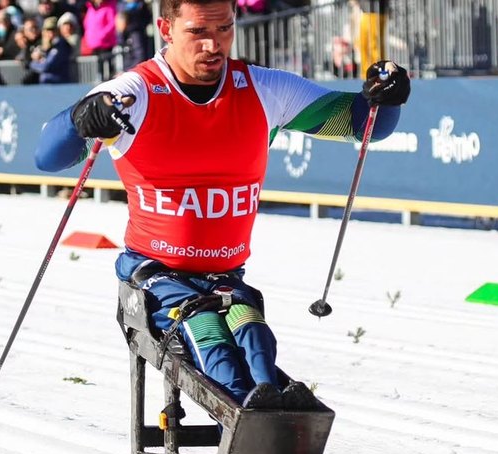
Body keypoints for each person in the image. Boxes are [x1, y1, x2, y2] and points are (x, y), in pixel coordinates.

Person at [35, 0, 409, 409]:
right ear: (165, 28)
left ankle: (266, 413)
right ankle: (247, 424)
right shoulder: (136, 91)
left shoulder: (264, 90)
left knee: (253, 332)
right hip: (156, 275)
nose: (213, 45)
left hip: (225, 275)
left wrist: (383, 97)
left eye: (224, 29)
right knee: (207, 332)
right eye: (197, 32)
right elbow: (48, 157)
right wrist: (81, 118)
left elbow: (360, 124)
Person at [28, 16, 73, 83]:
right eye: (47, 30)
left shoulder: (60, 45)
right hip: (48, 84)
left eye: (53, 29)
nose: (50, 33)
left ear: (58, 30)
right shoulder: (47, 45)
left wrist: (31, 64)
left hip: (59, 84)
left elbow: (46, 67)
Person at [356, 0, 389, 78]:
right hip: (365, 11)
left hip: (376, 11)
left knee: (374, 45)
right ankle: (366, 74)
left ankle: (377, 73)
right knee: (363, 44)